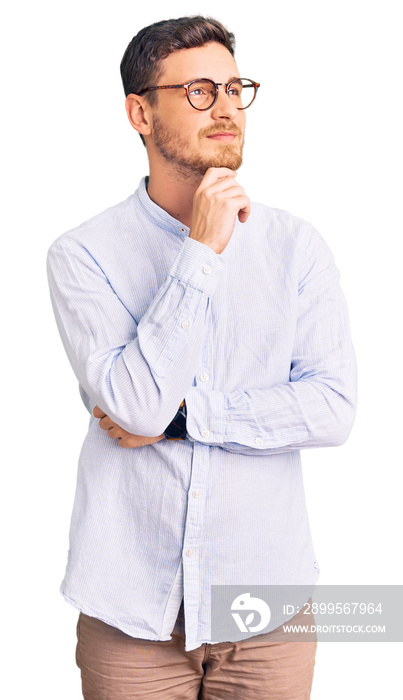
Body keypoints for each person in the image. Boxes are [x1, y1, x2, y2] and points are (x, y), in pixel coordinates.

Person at [47, 15, 357, 700]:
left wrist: (184, 419)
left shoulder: (295, 247)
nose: (224, 107)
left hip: (266, 606)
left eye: (233, 88)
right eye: (196, 91)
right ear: (139, 112)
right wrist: (202, 250)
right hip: (130, 610)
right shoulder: (83, 254)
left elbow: (332, 409)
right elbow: (133, 406)